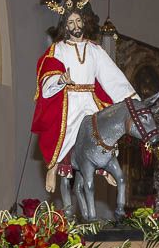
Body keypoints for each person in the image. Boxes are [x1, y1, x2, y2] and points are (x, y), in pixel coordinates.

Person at [30, 10, 136, 193]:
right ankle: (53, 166)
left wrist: (132, 101)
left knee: (105, 128)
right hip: (70, 98)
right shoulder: (59, 49)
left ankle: (107, 166)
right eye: (71, 22)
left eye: (78, 20)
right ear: (65, 26)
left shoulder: (95, 50)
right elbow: (48, 72)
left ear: (83, 23)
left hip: (90, 97)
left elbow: (111, 76)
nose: (75, 25)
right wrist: (61, 79)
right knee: (68, 129)